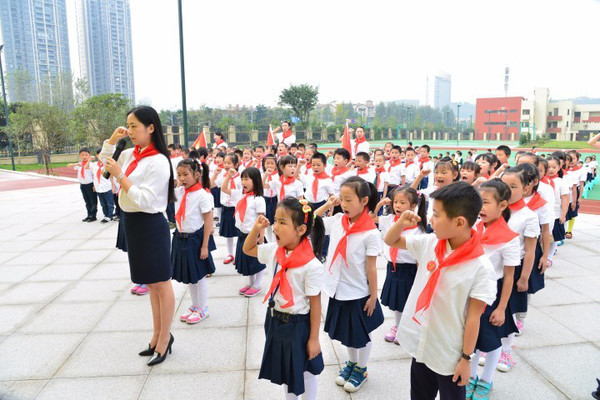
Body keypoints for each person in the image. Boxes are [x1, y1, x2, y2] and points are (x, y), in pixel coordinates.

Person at [384, 181, 496, 400]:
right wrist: (401, 223)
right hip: (422, 343)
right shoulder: (430, 243)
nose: (430, 220)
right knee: (419, 395)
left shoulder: (480, 268)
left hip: (448, 354)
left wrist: (466, 359)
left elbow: (474, 317)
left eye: (436, 215)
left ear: (459, 222)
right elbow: (390, 240)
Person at [102, 106, 175, 366]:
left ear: (151, 127)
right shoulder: (131, 153)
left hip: (150, 224)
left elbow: (145, 199)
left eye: (134, 126)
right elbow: (105, 163)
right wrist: (112, 141)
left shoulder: (158, 160)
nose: (130, 131)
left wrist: (121, 177)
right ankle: (156, 335)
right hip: (131, 223)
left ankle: (165, 338)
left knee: (161, 284)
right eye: (128, 126)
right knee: (150, 284)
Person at [243, 197, 325, 400]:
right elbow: (248, 249)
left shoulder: (311, 265)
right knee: (287, 371)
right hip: (275, 319)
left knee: (305, 371)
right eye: (275, 220)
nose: (276, 227)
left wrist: (314, 339)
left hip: (299, 325)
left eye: (282, 222)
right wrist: (256, 228)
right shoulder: (274, 251)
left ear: (300, 229)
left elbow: (315, 304)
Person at [315, 177, 384, 393]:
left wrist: (373, 296)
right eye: (341, 199)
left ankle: (361, 369)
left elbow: (371, 267)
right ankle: (352, 364)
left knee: (360, 334)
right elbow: (311, 220)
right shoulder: (337, 221)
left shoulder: (371, 233)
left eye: (348, 200)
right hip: (337, 288)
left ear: (364, 201)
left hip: (358, 292)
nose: (343, 205)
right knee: (347, 333)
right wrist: (329, 204)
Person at [468, 180, 520, 400]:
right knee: (470, 338)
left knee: (491, 340)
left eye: (486, 202)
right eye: (479, 201)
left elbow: (509, 277)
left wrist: (501, 308)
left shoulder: (510, 239)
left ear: (503, 205)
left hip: (494, 294)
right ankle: (470, 377)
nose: (481, 207)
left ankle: (486, 380)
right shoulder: (474, 228)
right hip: (472, 290)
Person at [499, 166, 540, 372]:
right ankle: (491, 348)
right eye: (504, 185)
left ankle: (506, 351)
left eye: (513, 186)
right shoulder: (495, 210)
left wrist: (524, 278)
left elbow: (530, 251)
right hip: (494, 271)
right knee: (492, 310)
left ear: (525, 189)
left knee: (509, 313)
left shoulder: (528, 216)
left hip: (513, 272)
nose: (507, 189)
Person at [373, 187, 427, 344]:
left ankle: (408, 328)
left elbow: (420, 256)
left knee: (409, 301)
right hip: (393, 267)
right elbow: (372, 218)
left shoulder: (419, 229)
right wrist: (379, 205)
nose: (397, 205)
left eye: (402, 202)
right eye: (396, 202)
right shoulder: (390, 220)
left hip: (409, 270)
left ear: (413, 206)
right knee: (397, 302)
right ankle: (397, 326)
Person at [172, 159, 216, 324]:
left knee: (199, 275)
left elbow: (208, 223)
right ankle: (195, 305)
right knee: (190, 276)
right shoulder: (180, 192)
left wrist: (205, 246)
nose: (182, 178)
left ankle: (203, 307)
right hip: (180, 237)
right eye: (179, 175)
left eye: (186, 174)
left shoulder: (203, 196)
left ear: (197, 174)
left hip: (196, 240)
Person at [222, 167, 267, 297]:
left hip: (253, 235)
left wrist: (261, 237)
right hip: (242, 234)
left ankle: (257, 284)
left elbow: (262, 220)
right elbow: (224, 189)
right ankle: (251, 283)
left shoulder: (258, 199)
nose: (243, 182)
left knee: (257, 262)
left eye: (247, 179)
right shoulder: (239, 195)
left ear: (255, 180)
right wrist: (229, 176)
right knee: (247, 262)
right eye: (242, 178)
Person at [213, 153, 241, 265]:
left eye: (229, 163)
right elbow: (211, 185)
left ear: (236, 164)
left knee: (240, 232)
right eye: (225, 163)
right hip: (226, 208)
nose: (226, 165)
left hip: (237, 208)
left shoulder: (240, 178)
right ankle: (230, 254)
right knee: (228, 233)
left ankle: (239, 254)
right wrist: (215, 175)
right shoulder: (222, 177)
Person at [543, 156, 569, 265]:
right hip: (544, 213)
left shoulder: (561, 182)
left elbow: (565, 199)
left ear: (559, 167)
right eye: (548, 167)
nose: (551, 169)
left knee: (554, 237)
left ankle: (549, 256)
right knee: (544, 236)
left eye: (554, 167)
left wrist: (563, 214)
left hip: (556, 214)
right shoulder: (541, 182)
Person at [69, 148, 97, 222]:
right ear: (80, 156)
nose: (84, 156)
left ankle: (93, 215)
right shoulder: (79, 164)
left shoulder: (91, 165)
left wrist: (95, 185)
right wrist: (76, 164)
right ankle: (89, 214)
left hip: (90, 185)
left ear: (89, 156)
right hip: (83, 185)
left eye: (86, 155)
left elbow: (95, 176)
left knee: (93, 201)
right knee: (87, 201)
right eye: (82, 155)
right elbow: (69, 165)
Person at [90, 149, 114, 223]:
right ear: (97, 155)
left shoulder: (107, 164)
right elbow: (94, 176)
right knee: (103, 203)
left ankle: (110, 216)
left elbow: (112, 176)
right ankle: (105, 215)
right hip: (99, 187)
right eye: (99, 155)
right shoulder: (94, 165)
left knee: (109, 203)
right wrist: (94, 185)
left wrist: (113, 186)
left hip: (106, 186)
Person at [262, 154, 280, 243]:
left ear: (276, 165)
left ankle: (275, 241)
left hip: (276, 199)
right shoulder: (262, 174)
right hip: (266, 199)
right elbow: (261, 185)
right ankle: (269, 242)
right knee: (268, 223)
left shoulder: (279, 175)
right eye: (267, 163)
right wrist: (266, 175)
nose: (269, 165)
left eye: (272, 163)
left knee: (275, 222)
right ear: (264, 164)